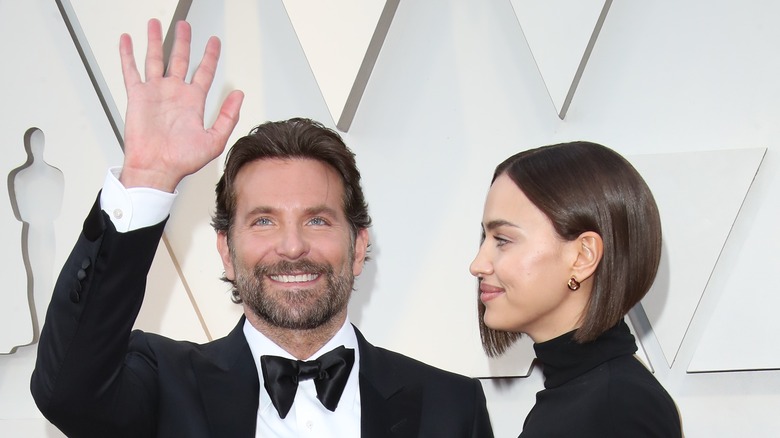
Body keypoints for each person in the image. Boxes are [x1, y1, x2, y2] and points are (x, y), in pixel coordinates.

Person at [30, 19, 493, 438]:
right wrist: (146, 179)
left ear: (358, 247)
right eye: (264, 221)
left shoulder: (450, 407)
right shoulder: (163, 385)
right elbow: (67, 390)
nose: (292, 247)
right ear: (227, 252)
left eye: (317, 219)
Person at [470, 141, 682, 437]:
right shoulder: (579, 397)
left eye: (503, 239)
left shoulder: (620, 407)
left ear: (583, 256)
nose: (478, 264)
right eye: (485, 238)